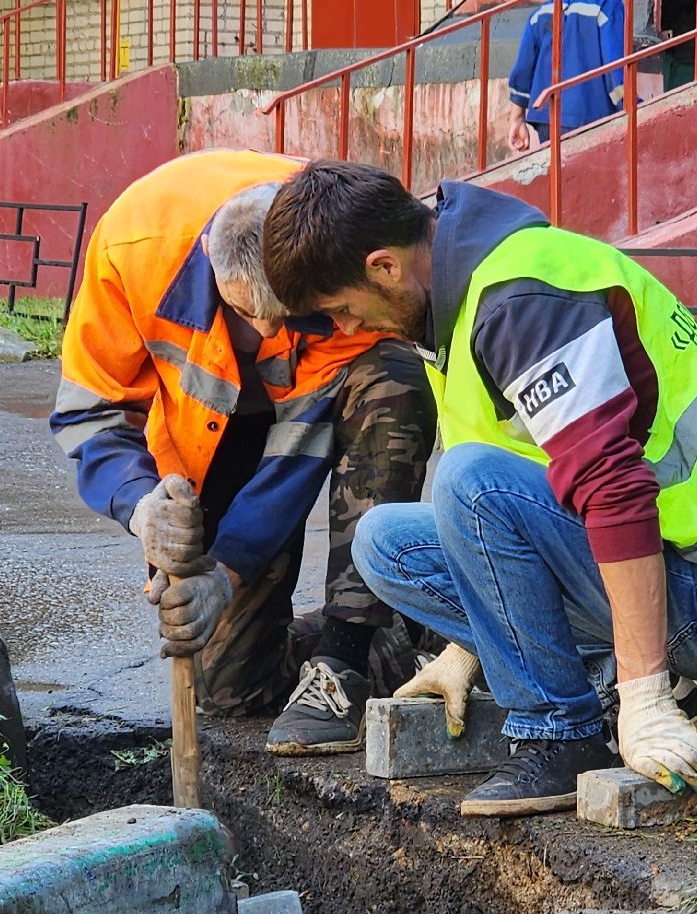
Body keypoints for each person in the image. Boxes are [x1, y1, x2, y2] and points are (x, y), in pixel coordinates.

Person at [261, 162, 697, 817]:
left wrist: (646, 699)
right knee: (386, 544)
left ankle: (566, 734)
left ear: (383, 267)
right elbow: (525, 503)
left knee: (470, 483)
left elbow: (612, 490)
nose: (351, 331)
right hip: (671, 571)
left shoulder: (518, 302)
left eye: (343, 310)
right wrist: (465, 649)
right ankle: (599, 678)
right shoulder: (457, 301)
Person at [50, 149, 436, 756]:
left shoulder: (328, 244)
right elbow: (89, 411)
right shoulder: (132, 247)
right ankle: (409, 632)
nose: (262, 332)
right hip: (209, 439)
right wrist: (140, 505)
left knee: (391, 381)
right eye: (243, 313)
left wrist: (228, 573)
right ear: (209, 259)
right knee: (231, 686)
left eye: (283, 316)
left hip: (320, 418)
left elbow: (295, 452)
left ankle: (345, 657)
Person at [505, 0, 628, 153]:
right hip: (592, 115)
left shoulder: (540, 13)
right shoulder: (607, 6)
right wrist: (631, 106)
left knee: (558, 172)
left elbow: (523, 71)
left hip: (547, 117)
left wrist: (516, 119)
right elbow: (615, 70)